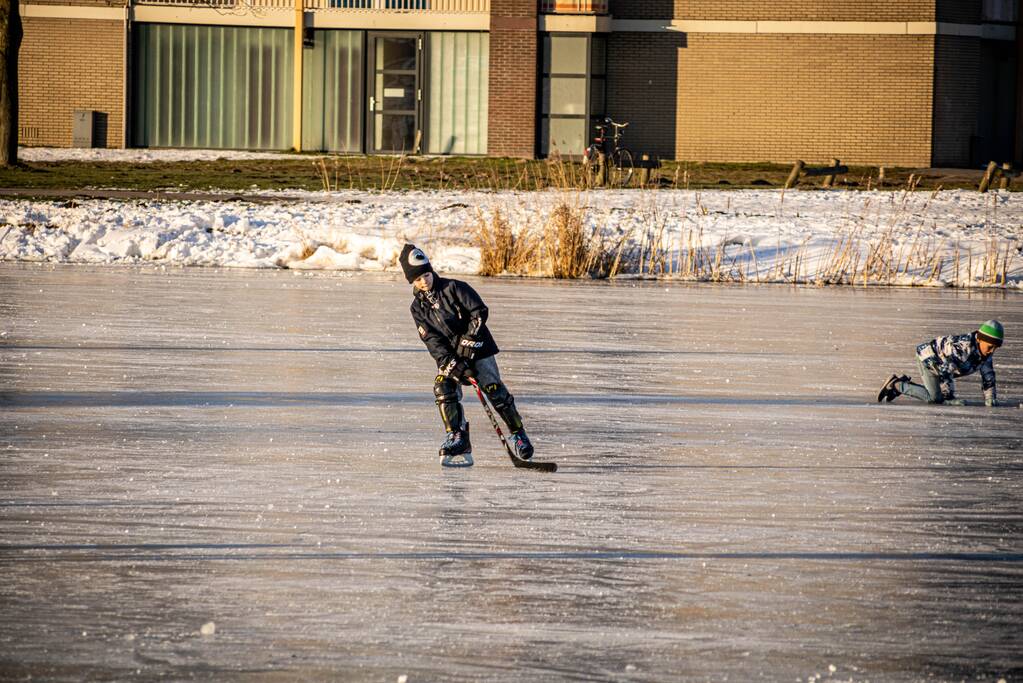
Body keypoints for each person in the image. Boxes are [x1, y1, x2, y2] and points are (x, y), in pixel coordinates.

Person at [399, 243, 534, 464]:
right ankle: (457, 436)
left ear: (431, 270)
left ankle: (518, 434)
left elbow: (478, 312)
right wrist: (452, 363)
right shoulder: (417, 309)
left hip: (479, 348)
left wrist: (468, 343)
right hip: (452, 356)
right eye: (418, 279)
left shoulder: (454, 287)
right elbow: (432, 340)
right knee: (443, 387)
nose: (424, 281)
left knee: (494, 390)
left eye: (426, 275)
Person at [878, 320, 1004, 406]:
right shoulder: (962, 348)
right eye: (990, 347)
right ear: (980, 339)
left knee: (936, 396)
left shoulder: (986, 353)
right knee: (934, 399)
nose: (992, 351)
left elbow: (988, 375)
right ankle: (897, 385)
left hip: (940, 364)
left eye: (995, 348)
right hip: (928, 358)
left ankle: (902, 383)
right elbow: (946, 370)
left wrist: (990, 397)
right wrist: (948, 398)